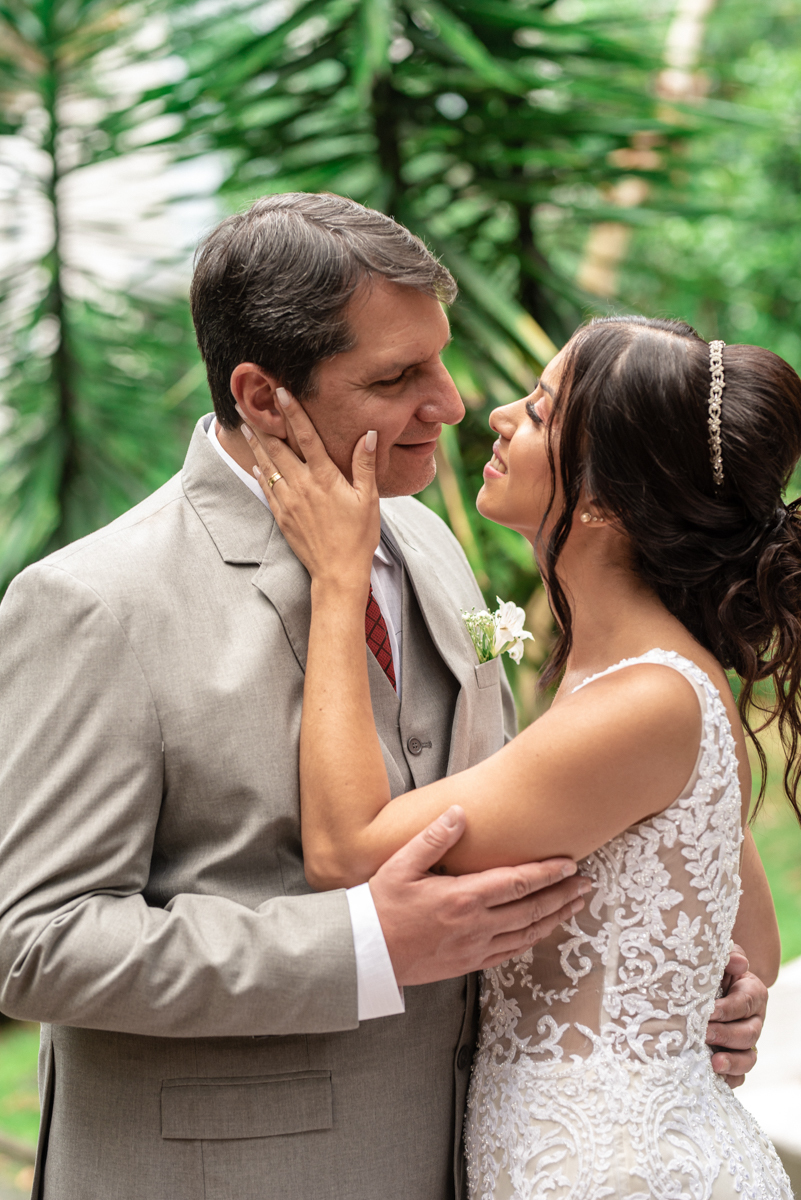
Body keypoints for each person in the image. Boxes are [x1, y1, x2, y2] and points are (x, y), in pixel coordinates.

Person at [0, 194, 763, 1200]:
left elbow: (528, 836)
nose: (450, 404)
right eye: (397, 378)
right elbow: (37, 943)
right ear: (262, 395)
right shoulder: (99, 602)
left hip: (504, 1159)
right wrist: (360, 945)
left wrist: (679, 979)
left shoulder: (431, 544)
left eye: (439, 360)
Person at [242, 313, 798, 1198]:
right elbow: (750, 942)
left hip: (614, 1173)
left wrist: (339, 580)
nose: (496, 415)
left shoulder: (646, 700)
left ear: (606, 501)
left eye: (539, 411)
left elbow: (346, 850)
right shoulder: (636, 674)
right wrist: (717, 992)